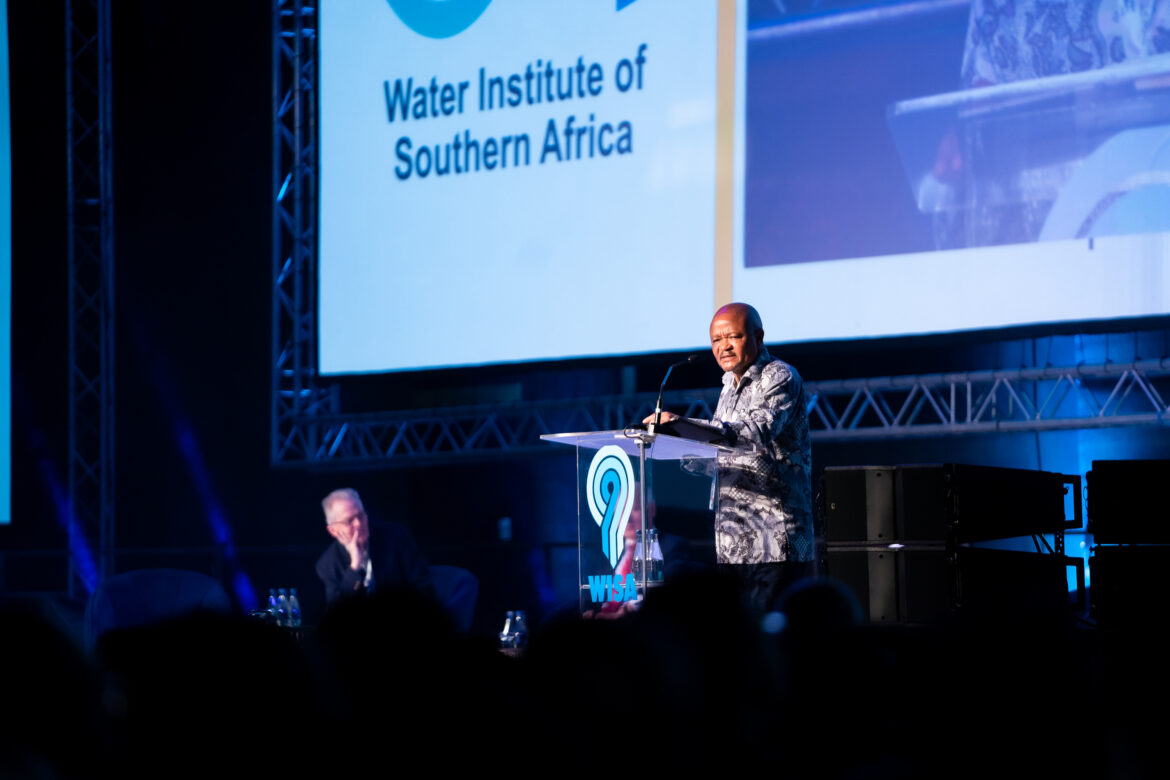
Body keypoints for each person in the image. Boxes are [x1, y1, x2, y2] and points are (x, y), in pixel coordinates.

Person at [649, 302, 815, 611]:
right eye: (716, 340)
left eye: (733, 337)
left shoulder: (780, 376)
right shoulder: (728, 386)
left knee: (773, 631)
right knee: (737, 634)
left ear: (758, 336)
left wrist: (683, 425)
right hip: (732, 544)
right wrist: (678, 443)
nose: (723, 346)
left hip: (775, 541)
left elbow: (754, 432)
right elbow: (723, 453)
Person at [315, 487, 436, 605]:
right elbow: (337, 610)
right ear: (333, 530)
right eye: (349, 520)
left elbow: (423, 586)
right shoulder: (327, 565)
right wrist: (354, 567)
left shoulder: (396, 537)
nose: (358, 523)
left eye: (361, 515)